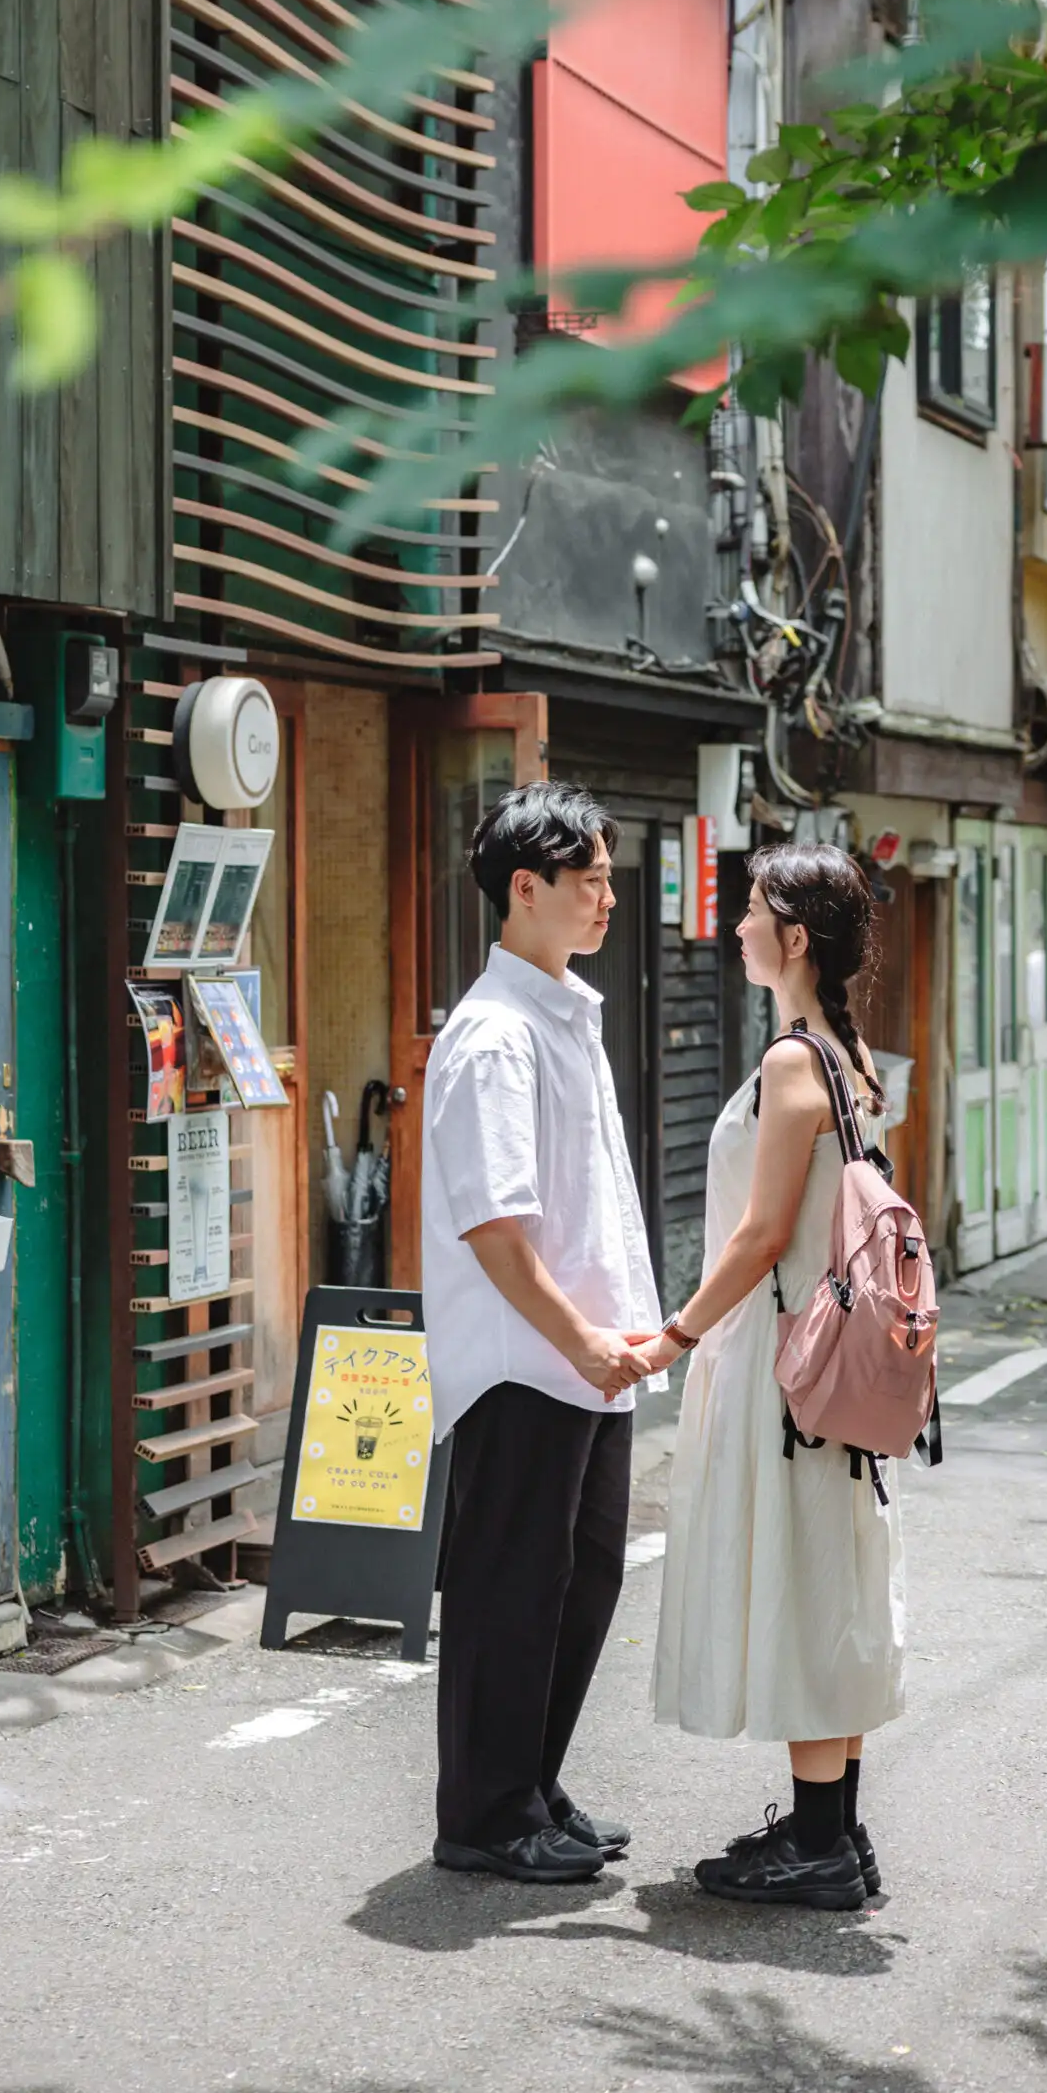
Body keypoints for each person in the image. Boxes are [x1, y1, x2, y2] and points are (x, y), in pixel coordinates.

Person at [636, 841, 908, 1911]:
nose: (736, 924)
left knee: (800, 1583)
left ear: (792, 935)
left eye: (750, 909)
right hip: (830, 1359)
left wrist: (671, 1336)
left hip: (785, 1359)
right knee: (826, 1578)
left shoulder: (799, 1061)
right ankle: (827, 1826)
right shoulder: (846, 1050)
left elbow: (758, 1238)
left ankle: (820, 1843)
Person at [422, 781, 659, 1885]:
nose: (610, 895)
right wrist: (579, 1339)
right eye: (591, 878)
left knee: (579, 1580)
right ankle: (482, 1810)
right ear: (526, 889)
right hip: (529, 1361)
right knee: (510, 1587)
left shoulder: (564, 1011)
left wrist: (616, 1338)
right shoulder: (495, 1036)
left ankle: (531, 1782)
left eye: (609, 874)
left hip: (585, 1356)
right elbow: (497, 1227)